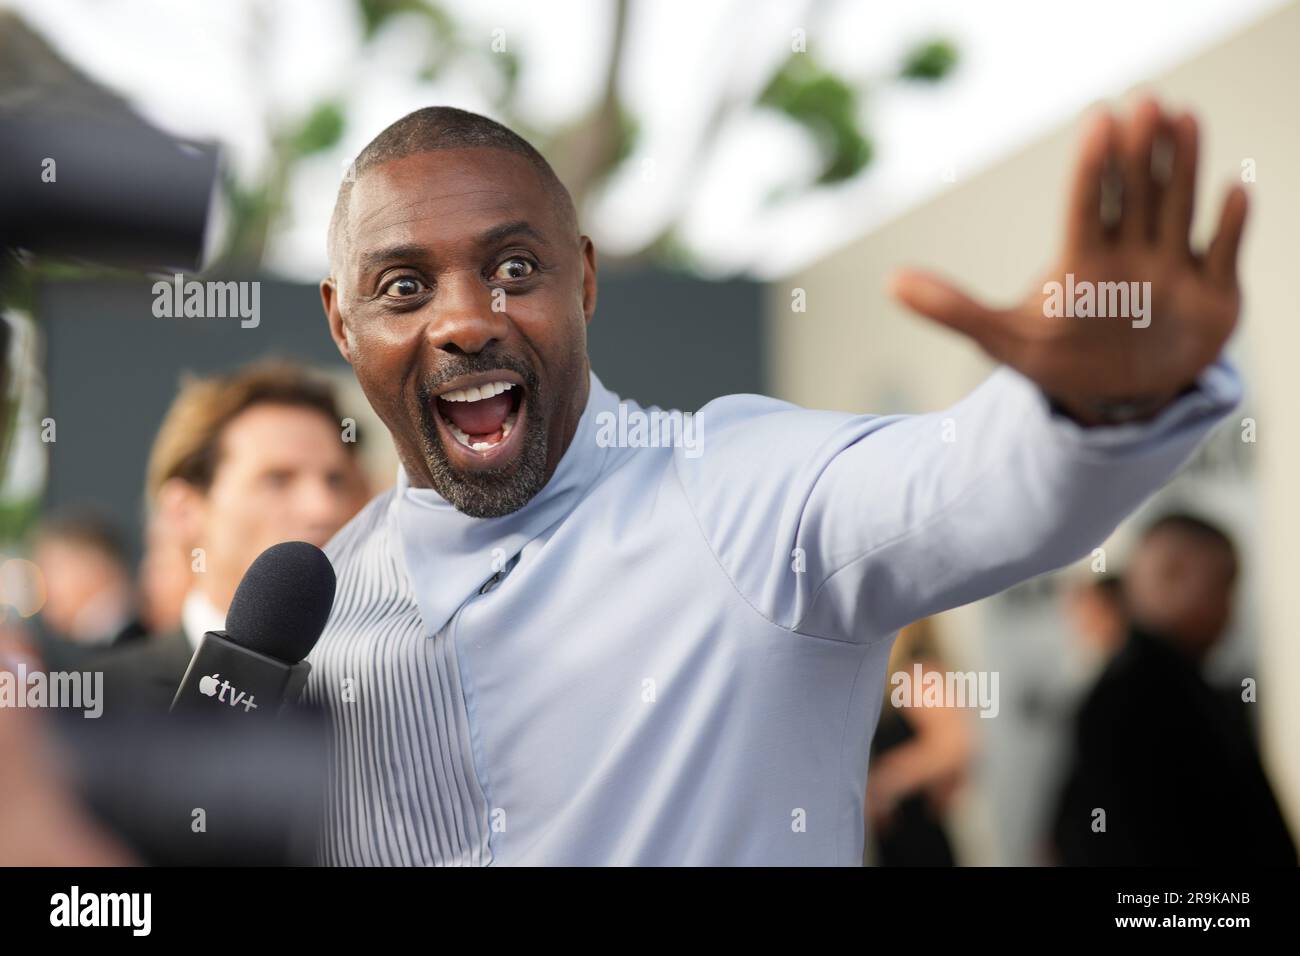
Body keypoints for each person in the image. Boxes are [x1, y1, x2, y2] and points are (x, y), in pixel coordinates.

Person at [305, 99, 1246, 865]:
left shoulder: (737, 491)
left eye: (516, 267)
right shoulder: (315, 614)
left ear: (583, 280)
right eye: (402, 288)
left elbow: (968, 489)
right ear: (342, 324)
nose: (468, 320)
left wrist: (1096, 407)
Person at [91, 360, 369, 715]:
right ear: (184, 510)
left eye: (336, 480)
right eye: (278, 479)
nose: (323, 508)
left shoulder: (384, 687)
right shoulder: (99, 700)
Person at [1051, 515, 1296, 865]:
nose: (1230, 614)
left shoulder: (1177, 686)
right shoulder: (1130, 700)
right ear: (1171, 575)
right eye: (1221, 588)